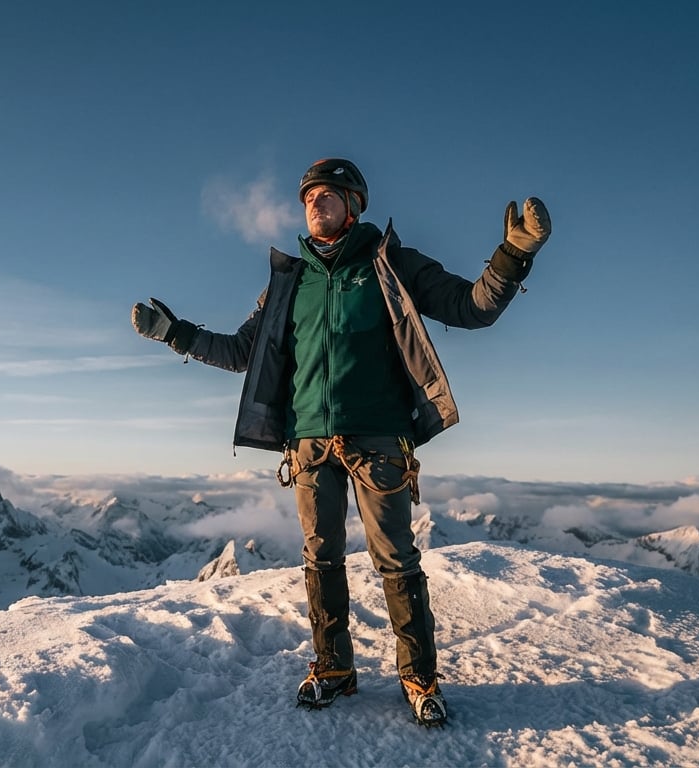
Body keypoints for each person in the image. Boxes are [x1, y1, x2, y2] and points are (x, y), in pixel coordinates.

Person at [130, 157, 550, 727]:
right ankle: (333, 669)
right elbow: (240, 352)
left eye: (326, 193)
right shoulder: (288, 282)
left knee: (396, 558)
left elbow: (469, 307)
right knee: (320, 557)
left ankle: (419, 677)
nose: (314, 202)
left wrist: (512, 256)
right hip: (307, 442)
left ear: (354, 204)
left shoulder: (389, 262)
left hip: (379, 438)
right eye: (307, 196)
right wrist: (174, 333)